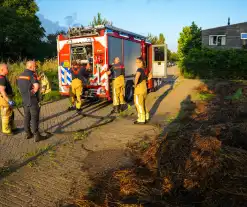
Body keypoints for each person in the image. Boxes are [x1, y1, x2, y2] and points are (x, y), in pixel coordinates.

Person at [17, 61, 45, 142]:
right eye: (35, 66)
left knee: (26, 117)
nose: (36, 68)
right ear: (31, 66)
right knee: (34, 118)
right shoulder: (31, 74)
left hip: (25, 100)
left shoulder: (21, 75)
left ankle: (28, 134)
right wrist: (33, 92)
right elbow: (36, 86)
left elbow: (20, 87)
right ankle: (37, 136)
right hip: (32, 100)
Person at [0, 64, 17, 135]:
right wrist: (8, 100)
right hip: (5, 100)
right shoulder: (2, 79)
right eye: (7, 68)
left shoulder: (4, 77)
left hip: (8, 98)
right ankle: (6, 130)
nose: (8, 69)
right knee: (6, 114)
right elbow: (2, 90)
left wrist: (11, 94)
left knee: (11, 113)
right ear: (2, 70)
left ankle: (12, 127)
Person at [134, 57, 151, 124]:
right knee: (143, 103)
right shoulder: (144, 69)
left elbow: (137, 77)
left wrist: (135, 85)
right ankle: (146, 117)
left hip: (139, 88)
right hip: (144, 88)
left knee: (138, 103)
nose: (136, 64)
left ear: (141, 62)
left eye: (137, 62)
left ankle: (141, 119)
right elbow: (150, 76)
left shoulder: (139, 69)